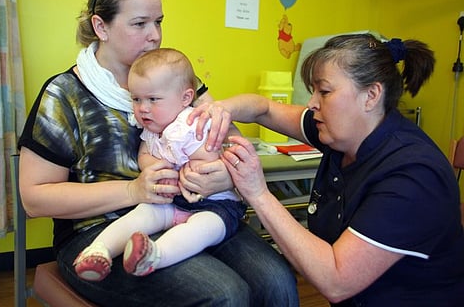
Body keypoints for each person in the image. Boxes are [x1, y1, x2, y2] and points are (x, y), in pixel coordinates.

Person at [17, 0, 298, 306]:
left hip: (191, 210)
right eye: (139, 23)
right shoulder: (64, 95)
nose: (155, 35)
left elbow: (229, 142)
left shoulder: (173, 78)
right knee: (224, 294)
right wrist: (133, 189)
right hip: (97, 230)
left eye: (159, 22)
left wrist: (222, 175)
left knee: (277, 282)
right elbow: (35, 198)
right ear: (100, 26)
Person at [191, 33, 464, 306]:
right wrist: (219, 110)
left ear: (371, 95)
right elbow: (264, 109)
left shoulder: (414, 175)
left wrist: (257, 192)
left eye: (324, 91)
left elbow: (336, 280)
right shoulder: (342, 134)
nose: (312, 103)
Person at [73, 48, 247, 281]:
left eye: (153, 99)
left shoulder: (190, 123)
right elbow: (144, 154)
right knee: (142, 214)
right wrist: (155, 167)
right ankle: (98, 250)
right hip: (171, 200)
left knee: (204, 228)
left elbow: (209, 155)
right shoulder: (152, 127)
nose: (143, 107)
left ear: (185, 98)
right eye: (136, 99)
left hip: (213, 205)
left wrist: (189, 170)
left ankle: (155, 255)